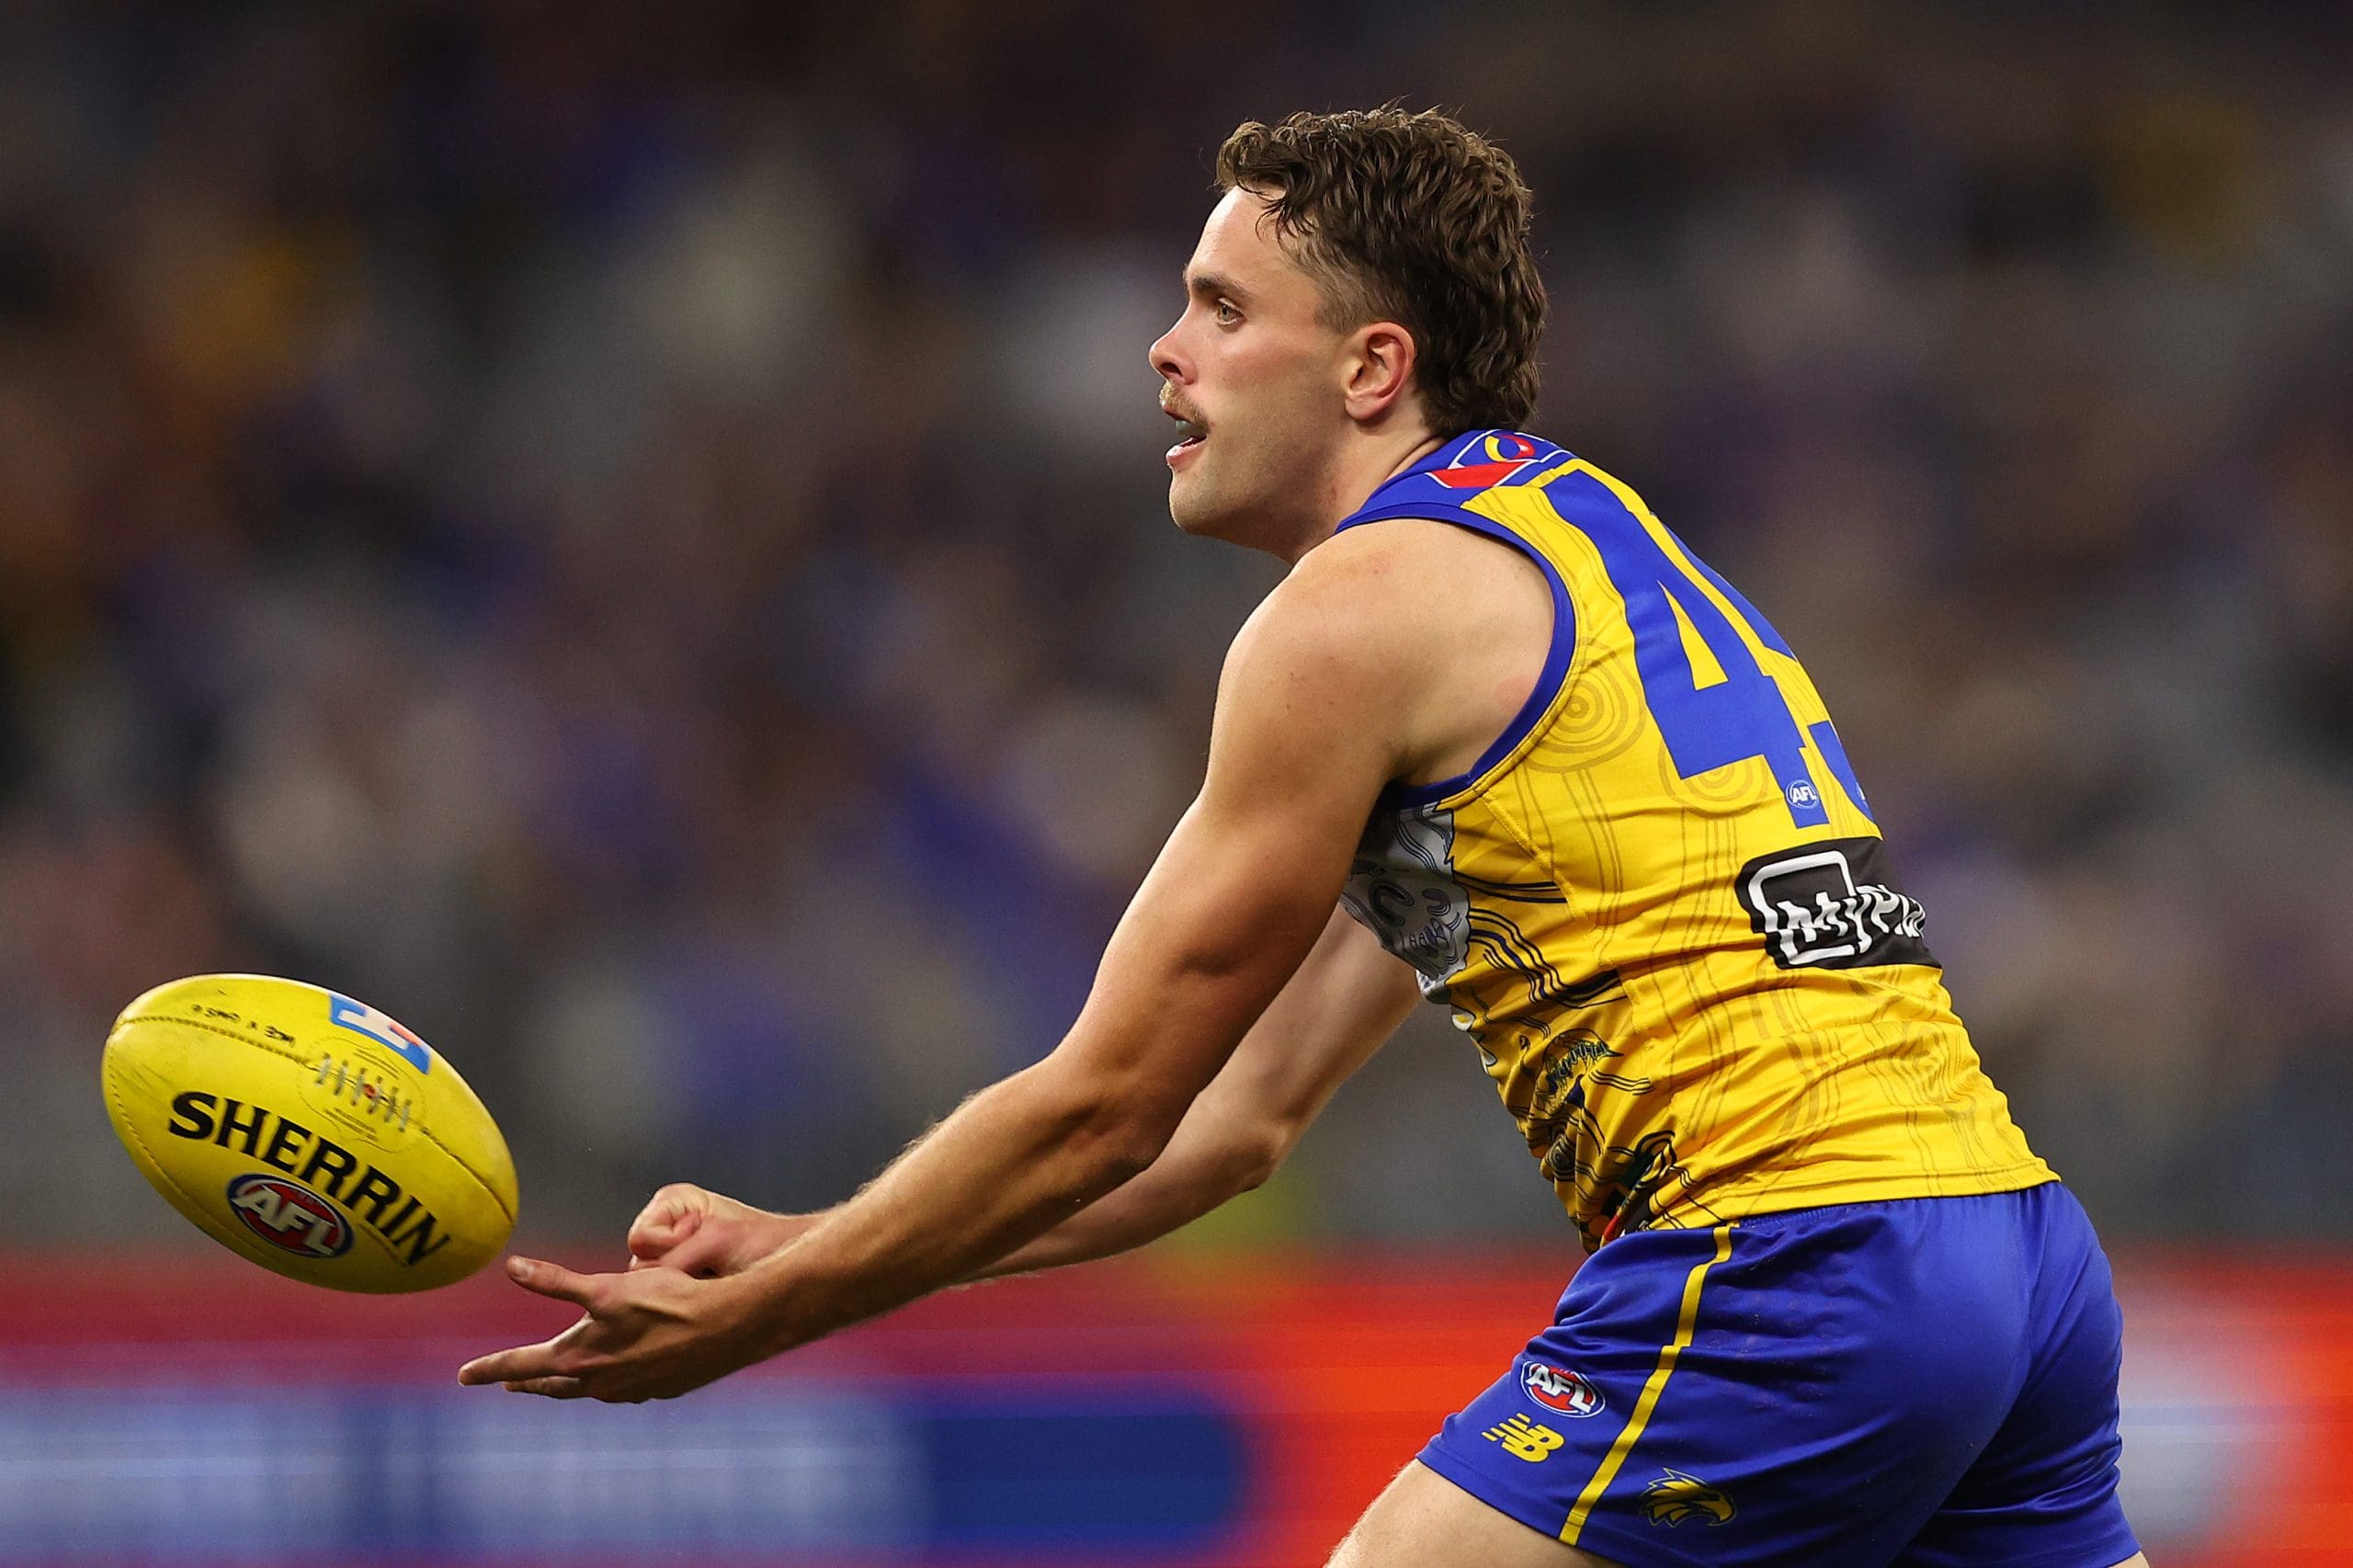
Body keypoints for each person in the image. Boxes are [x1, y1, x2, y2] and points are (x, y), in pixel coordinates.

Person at [459, 108, 2147, 1568]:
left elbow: (1108, 1103)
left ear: (1371, 366)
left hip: (1792, 1256)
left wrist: (769, 1313)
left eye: (1217, 304)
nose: (1162, 348)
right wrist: (821, 1242)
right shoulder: (1585, 544)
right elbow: (1233, 1123)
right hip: (2012, 1248)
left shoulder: (1355, 615)